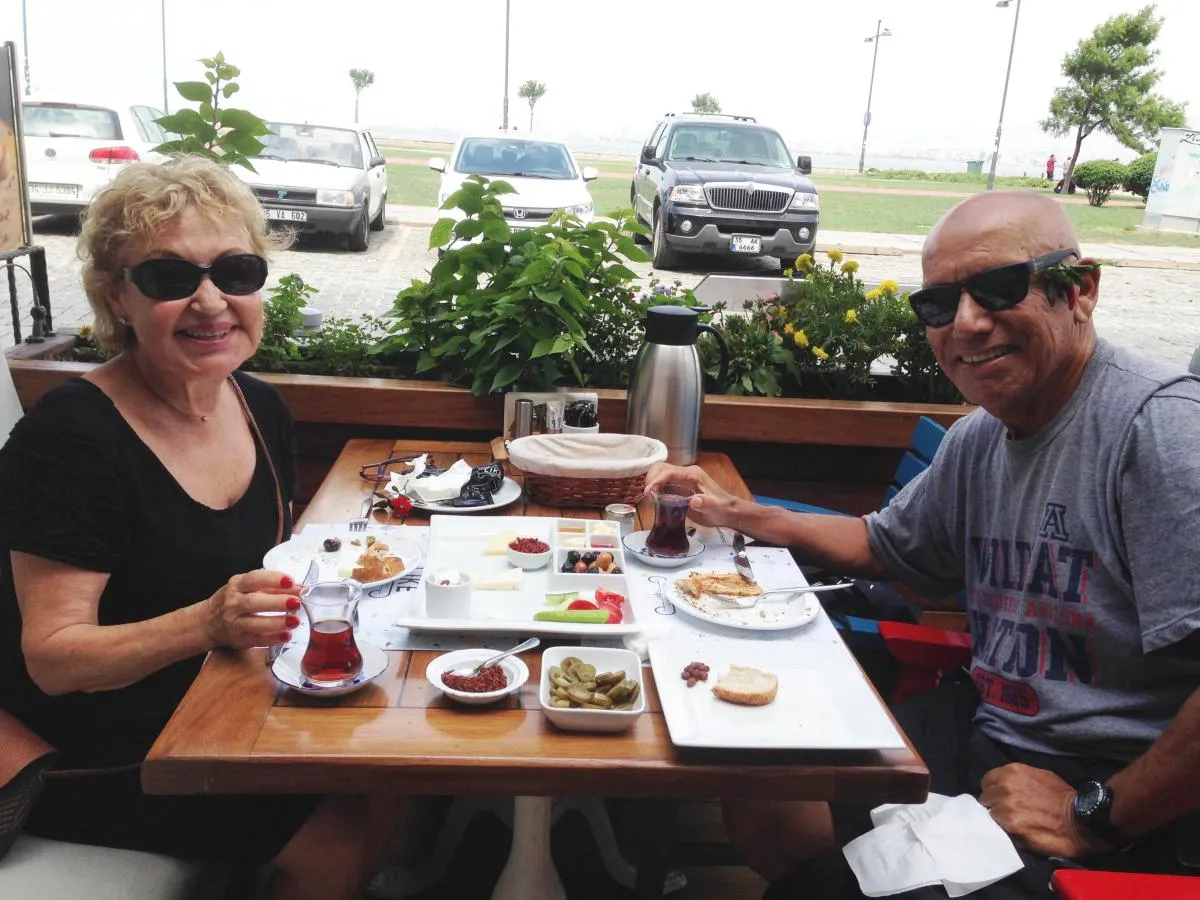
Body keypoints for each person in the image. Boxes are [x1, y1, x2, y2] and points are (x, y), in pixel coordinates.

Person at [646, 190, 1200, 898]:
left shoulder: (1160, 432)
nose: (966, 323)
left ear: (1081, 290)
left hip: (1111, 792)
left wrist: (1096, 815)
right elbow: (883, 546)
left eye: (999, 288)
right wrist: (733, 512)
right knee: (763, 785)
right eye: (938, 305)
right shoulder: (981, 436)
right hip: (982, 727)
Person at [0, 157, 407, 900]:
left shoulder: (256, 405)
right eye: (168, 278)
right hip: (89, 751)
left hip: (212, 705)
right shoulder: (71, 440)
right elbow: (54, 661)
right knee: (341, 836)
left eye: (237, 270)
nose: (211, 300)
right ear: (117, 296)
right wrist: (209, 621)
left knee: (390, 781)